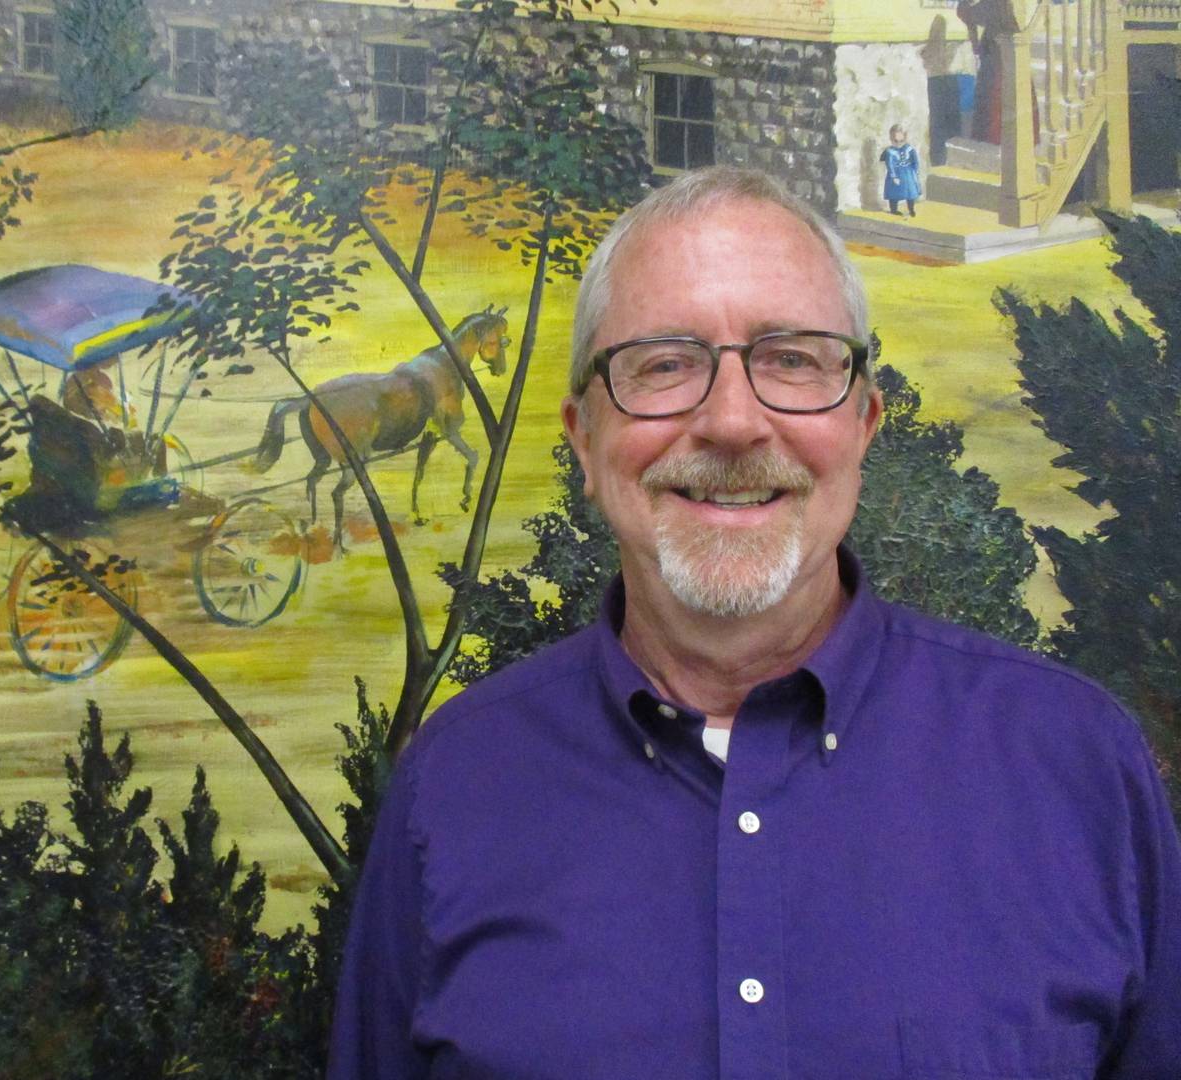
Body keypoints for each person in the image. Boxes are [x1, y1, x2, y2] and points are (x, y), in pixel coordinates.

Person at [327, 166, 1181, 1079]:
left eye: (792, 358)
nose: (733, 421)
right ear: (584, 439)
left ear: (862, 423)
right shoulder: (452, 787)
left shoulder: (1078, 766)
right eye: (664, 363)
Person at [881, 123, 921, 216]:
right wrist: (894, 177)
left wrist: (915, 170)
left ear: (905, 138)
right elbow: (890, 164)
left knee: (910, 192)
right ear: (891, 139)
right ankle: (893, 209)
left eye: (901, 141)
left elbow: (915, 160)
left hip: (908, 173)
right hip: (896, 173)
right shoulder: (890, 151)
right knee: (894, 192)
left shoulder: (909, 149)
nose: (898, 144)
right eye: (896, 141)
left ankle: (911, 209)